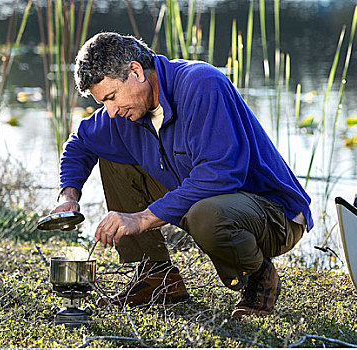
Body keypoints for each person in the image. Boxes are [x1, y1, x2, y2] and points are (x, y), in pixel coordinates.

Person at [51, 32, 313, 318]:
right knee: (113, 158)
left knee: (206, 214)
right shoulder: (126, 111)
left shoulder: (202, 84)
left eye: (112, 97)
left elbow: (220, 176)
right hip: (217, 202)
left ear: (135, 71)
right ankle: (157, 276)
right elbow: (80, 142)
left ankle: (258, 275)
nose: (110, 112)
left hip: (275, 215)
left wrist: (141, 219)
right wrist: (69, 196)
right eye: (104, 103)